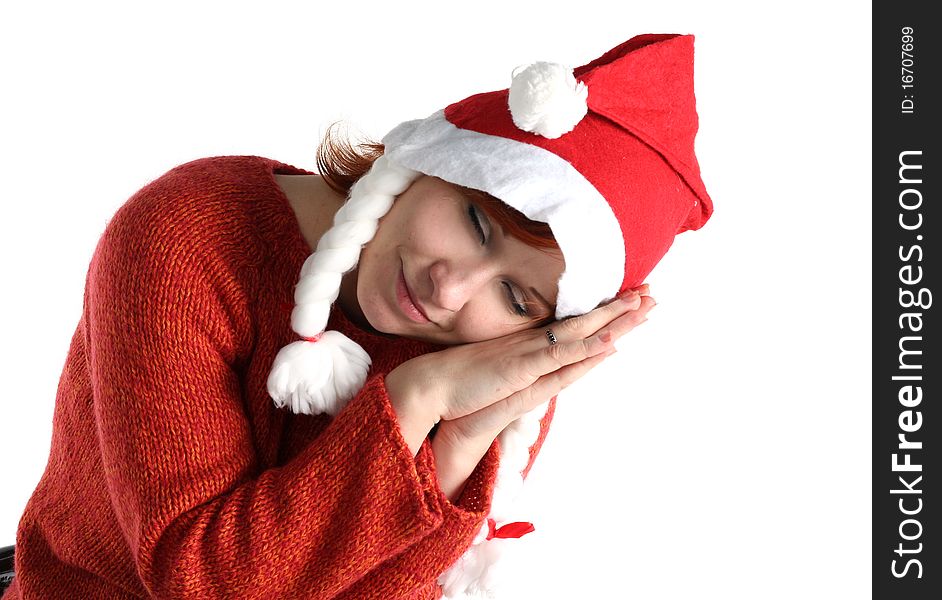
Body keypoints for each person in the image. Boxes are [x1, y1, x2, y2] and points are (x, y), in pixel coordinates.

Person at [1, 33, 712, 599]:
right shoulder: (189, 234)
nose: (452, 289)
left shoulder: (498, 364)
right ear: (431, 162)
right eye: (475, 222)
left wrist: (459, 444)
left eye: (519, 298)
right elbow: (199, 583)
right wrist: (413, 399)